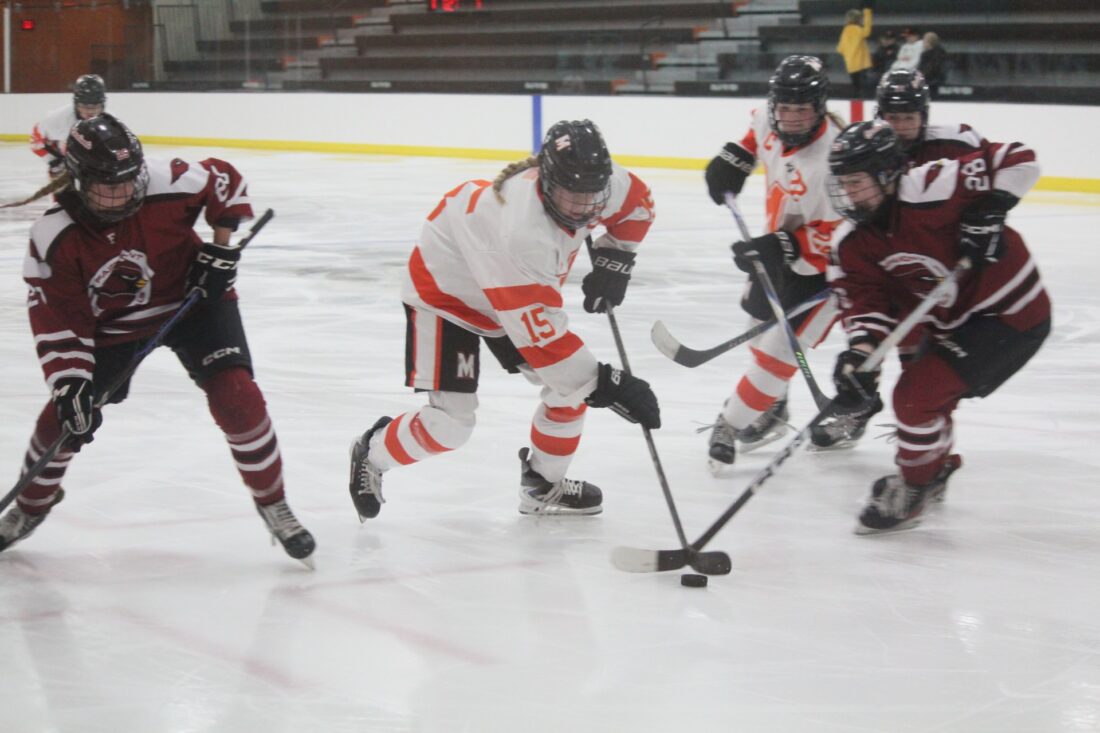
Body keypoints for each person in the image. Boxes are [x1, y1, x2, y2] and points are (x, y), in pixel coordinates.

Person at [0, 114, 315, 566]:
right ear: (78, 180)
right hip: (112, 329)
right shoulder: (54, 235)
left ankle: (274, 503)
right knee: (63, 421)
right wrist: (71, 383)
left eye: (128, 182)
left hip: (194, 299)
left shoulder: (169, 181)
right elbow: (60, 318)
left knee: (238, 398)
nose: (121, 194)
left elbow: (224, 180)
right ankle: (31, 506)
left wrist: (221, 247)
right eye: (106, 187)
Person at [347, 119, 660, 519]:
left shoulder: (604, 182)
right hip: (447, 294)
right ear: (547, 182)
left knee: (569, 392)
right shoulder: (520, 231)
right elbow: (542, 340)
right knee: (452, 425)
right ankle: (372, 452)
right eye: (571, 195)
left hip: (511, 292)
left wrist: (616, 259)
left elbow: (638, 206)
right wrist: (611, 385)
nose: (584, 207)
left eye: (591, 195)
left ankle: (542, 485)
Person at [825, 120, 1050, 534]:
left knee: (915, 398)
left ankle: (915, 488)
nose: (847, 193)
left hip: (1009, 314)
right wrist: (860, 354)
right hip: (951, 321)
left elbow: (1018, 158)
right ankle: (934, 467)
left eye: (856, 182)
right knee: (925, 398)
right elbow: (867, 304)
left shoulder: (934, 185)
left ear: (887, 174)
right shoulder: (851, 242)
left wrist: (992, 205)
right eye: (842, 183)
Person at [702, 55, 859, 472]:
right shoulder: (768, 119)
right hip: (778, 246)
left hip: (828, 271)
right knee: (758, 329)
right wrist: (734, 159)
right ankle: (773, 408)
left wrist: (786, 244)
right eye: (784, 108)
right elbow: (754, 134)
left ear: (819, 108)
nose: (789, 118)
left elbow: (841, 232)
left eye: (800, 110)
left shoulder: (835, 159)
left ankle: (729, 423)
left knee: (776, 355)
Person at [875, 68, 987, 166]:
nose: (901, 127)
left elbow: (994, 163)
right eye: (893, 118)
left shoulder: (958, 144)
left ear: (923, 118)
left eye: (909, 118)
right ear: (880, 117)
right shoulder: (867, 155)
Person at [30, 74, 107, 179]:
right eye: (84, 106)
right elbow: (35, 139)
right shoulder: (57, 119)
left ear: (103, 105)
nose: (90, 113)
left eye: (95, 107)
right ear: (75, 104)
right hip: (66, 162)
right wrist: (53, 161)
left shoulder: (111, 122)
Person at [836, 4, 874, 98]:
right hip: (860, 62)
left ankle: (856, 99)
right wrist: (867, 13)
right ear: (859, 19)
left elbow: (840, 48)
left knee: (856, 86)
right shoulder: (857, 29)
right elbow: (867, 32)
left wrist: (848, 54)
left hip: (850, 62)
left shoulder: (845, 30)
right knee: (862, 86)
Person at [918, 32, 948, 98]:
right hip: (926, 80)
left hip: (934, 82)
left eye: (924, 40)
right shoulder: (925, 54)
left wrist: (922, 77)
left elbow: (932, 68)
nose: (923, 43)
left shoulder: (939, 54)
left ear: (929, 42)